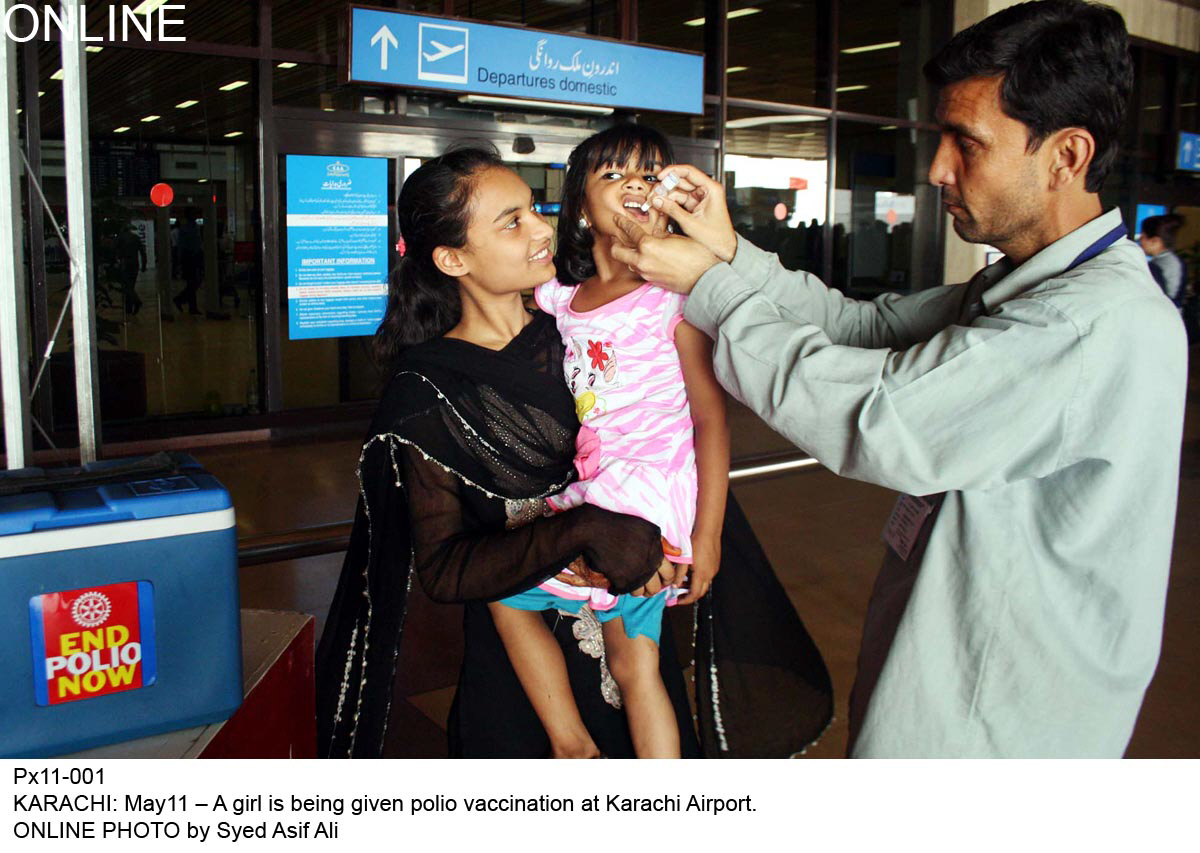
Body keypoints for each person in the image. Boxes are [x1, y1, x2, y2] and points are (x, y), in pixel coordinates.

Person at [610, 0, 1187, 757]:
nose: (939, 168)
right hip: (954, 682)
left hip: (998, 727)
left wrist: (713, 289)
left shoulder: (1084, 325)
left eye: (967, 143)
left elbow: (879, 415)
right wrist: (727, 253)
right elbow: (862, 329)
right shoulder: (1027, 288)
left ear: (1067, 155)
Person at [488, 125, 728, 759]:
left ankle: (574, 749)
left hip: (645, 498)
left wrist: (707, 536)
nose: (637, 186)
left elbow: (710, 419)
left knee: (504, 587)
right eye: (615, 175)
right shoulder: (565, 301)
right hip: (604, 490)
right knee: (633, 664)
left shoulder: (674, 300)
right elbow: (494, 281)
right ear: (579, 208)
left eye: (650, 176)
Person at [1139, 213, 1186, 311]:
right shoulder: (1178, 262)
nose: (1140, 240)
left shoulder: (1155, 267)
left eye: (1143, 236)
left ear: (1155, 241)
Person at [115, 224, 147, 315]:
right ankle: (129, 307)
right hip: (135, 263)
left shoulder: (120, 238)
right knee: (131, 285)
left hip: (125, 263)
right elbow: (142, 251)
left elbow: (114, 250)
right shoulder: (136, 237)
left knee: (126, 286)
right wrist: (144, 264)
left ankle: (135, 302)